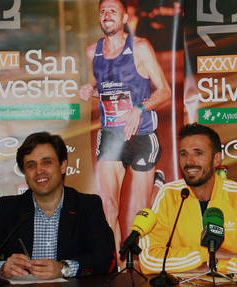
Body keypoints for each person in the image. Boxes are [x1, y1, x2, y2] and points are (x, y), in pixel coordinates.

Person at [78, 0, 171, 255]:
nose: (107, 15)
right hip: (111, 135)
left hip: (141, 134)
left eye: (113, 11)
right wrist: (91, 91)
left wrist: (140, 109)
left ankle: (154, 190)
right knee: (108, 204)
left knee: (139, 214)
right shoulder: (91, 52)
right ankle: (115, 265)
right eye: (103, 11)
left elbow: (165, 91)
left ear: (125, 18)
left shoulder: (140, 48)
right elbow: (106, 91)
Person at [0, 132, 116, 279]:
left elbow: (105, 259)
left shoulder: (87, 206)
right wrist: (2, 268)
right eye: (31, 165)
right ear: (24, 173)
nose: (39, 171)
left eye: (47, 162)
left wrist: (64, 269)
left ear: (63, 166)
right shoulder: (9, 208)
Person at [139, 123, 237, 274]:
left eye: (198, 153)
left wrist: (214, 266)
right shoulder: (168, 194)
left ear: (216, 159)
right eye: (184, 154)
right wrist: (206, 254)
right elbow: (148, 260)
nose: (189, 161)